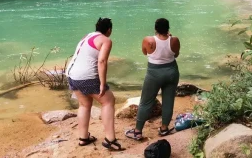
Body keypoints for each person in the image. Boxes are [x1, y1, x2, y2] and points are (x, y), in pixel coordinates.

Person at [66, 17, 124, 151]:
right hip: (86, 77)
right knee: (108, 101)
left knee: (84, 104)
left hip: (72, 75)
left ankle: (83, 138)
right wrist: (102, 84)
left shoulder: (87, 36)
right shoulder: (106, 40)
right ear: (109, 30)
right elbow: (102, 61)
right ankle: (110, 140)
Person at [125, 18, 180, 140]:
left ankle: (137, 131)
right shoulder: (174, 40)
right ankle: (164, 128)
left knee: (146, 102)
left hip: (154, 74)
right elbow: (176, 54)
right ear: (168, 28)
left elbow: (145, 52)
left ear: (155, 28)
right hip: (172, 72)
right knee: (168, 101)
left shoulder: (148, 40)